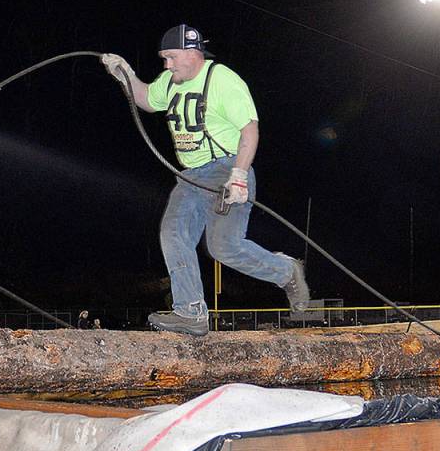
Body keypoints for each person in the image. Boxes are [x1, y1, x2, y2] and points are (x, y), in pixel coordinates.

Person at [101, 24, 309, 336]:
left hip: (226, 169)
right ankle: (191, 313)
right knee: (173, 234)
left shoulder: (222, 80)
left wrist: (239, 176)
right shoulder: (170, 82)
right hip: (190, 177)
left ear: (192, 53)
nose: (167, 65)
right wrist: (125, 75)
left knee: (223, 248)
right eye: (164, 59)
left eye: (171, 57)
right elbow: (146, 99)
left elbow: (249, 129)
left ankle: (287, 271)